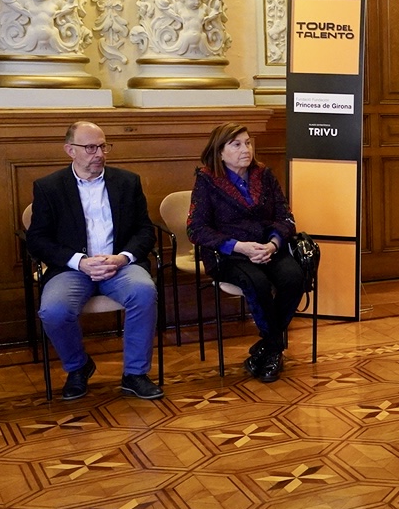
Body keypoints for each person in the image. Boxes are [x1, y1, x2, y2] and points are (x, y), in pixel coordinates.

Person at [27, 121, 163, 401]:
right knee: (53, 311)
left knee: (144, 291)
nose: (99, 154)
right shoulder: (49, 187)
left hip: (120, 266)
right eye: (90, 148)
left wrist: (122, 258)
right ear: (70, 150)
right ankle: (78, 367)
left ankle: (135, 374)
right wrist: (80, 261)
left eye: (103, 146)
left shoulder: (127, 182)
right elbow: (37, 240)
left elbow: (145, 231)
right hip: (72, 269)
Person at [186, 123, 304, 382]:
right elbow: (196, 229)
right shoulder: (207, 180)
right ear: (220, 152)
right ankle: (273, 349)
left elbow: (285, 217)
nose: (245, 149)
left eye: (248, 143)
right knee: (257, 282)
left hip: (267, 248)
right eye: (236, 144)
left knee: (294, 277)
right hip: (229, 253)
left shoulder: (264, 175)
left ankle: (267, 347)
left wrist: (273, 244)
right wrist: (239, 246)